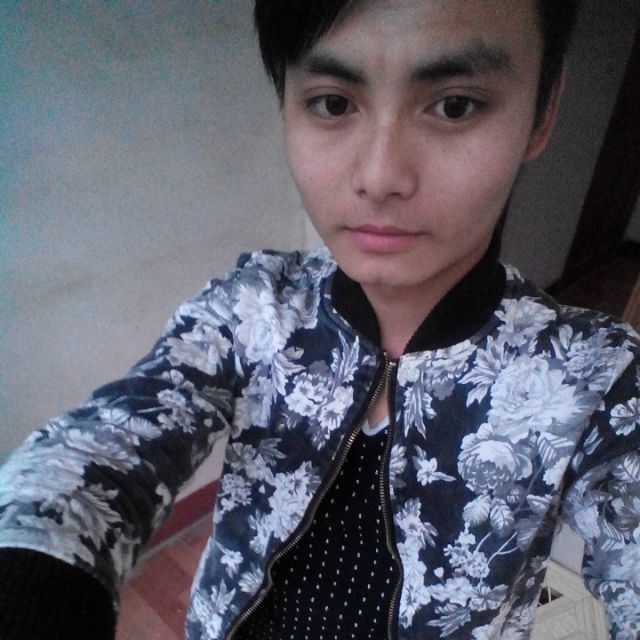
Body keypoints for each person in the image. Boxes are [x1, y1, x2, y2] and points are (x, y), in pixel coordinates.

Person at [1, 0, 639, 638]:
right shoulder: (255, 306)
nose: (379, 177)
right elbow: (99, 451)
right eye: (333, 103)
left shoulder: (595, 377)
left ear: (542, 112)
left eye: (454, 106)